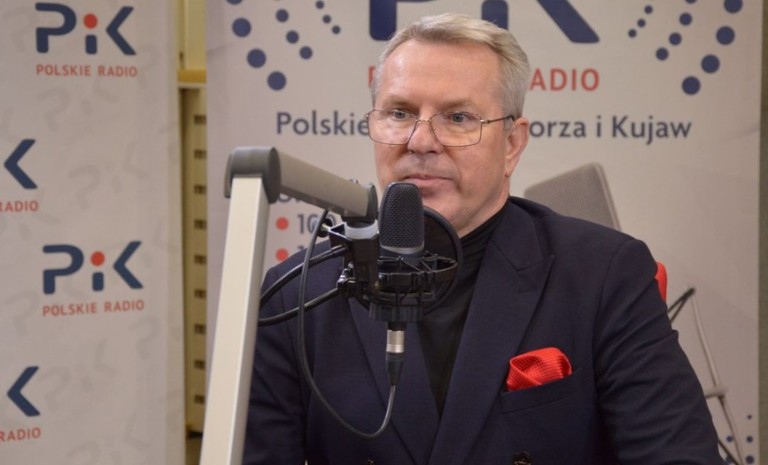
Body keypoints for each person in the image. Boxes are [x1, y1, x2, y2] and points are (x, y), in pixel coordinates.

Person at [243, 12, 720, 464]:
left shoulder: (603, 275)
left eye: (458, 118)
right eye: (400, 113)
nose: (420, 141)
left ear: (512, 144)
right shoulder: (295, 295)